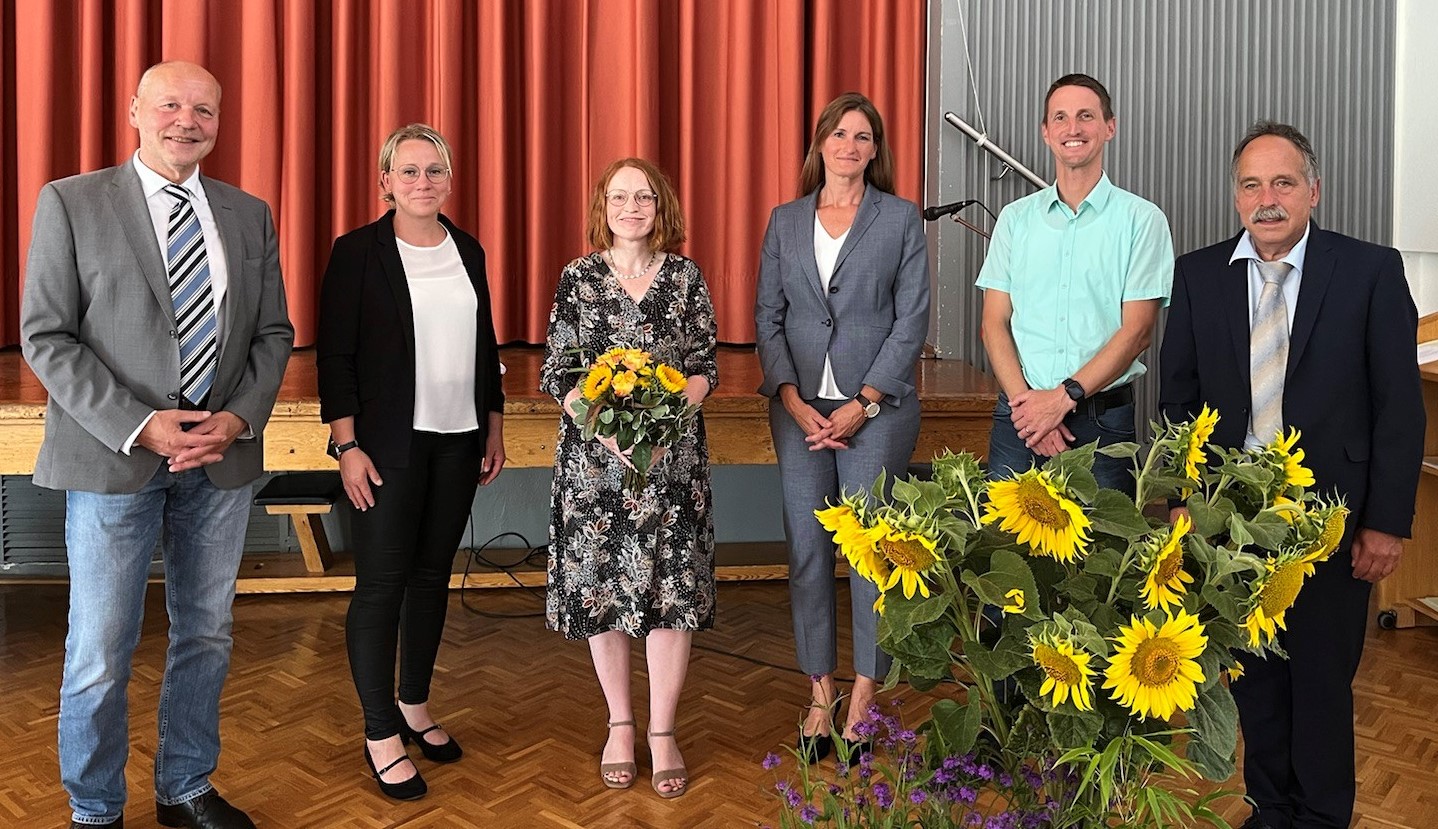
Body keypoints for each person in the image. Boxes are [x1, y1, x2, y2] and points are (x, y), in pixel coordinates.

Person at [19, 61, 293, 829]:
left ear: (218, 121)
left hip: (220, 461)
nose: (187, 118)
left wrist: (236, 418)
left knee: (206, 631)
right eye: (170, 103)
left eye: (204, 107)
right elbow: (47, 334)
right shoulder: (72, 202)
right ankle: (97, 807)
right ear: (135, 110)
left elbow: (274, 333)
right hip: (114, 459)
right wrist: (142, 422)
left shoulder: (247, 213)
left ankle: (185, 787)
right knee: (101, 647)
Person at [1159, 121, 1424, 829]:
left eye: (1282, 182)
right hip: (1232, 523)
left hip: (1333, 518)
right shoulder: (1196, 274)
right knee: (1256, 678)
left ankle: (1322, 815)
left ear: (1313, 189)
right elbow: (1178, 402)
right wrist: (1188, 502)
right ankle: (1270, 808)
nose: (1266, 199)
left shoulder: (1369, 270)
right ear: (1236, 194)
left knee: (1322, 681)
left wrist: (1387, 522)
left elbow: (1400, 404)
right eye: (1251, 184)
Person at [316, 123, 506, 801]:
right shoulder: (357, 253)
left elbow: (484, 344)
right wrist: (346, 445)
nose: (422, 182)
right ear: (385, 181)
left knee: (430, 579)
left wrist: (494, 421)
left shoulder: (469, 248)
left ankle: (414, 704)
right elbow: (334, 356)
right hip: (386, 447)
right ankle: (379, 730)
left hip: (457, 441)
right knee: (381, 584)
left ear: (449, 180)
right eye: (409, 171)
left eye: (434, 171)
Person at [754, 92, 931, 759]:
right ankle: (820, 692)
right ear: (820, 142)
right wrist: (794, 399)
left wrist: (863, 400)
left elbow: (912, 318)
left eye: (862, 136)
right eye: (838, 133)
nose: (849, 146)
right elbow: (767, 315)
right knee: (806, 550)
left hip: (875, 410)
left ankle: (863, 692)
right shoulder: (786, 219)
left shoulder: (900, 219)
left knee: (870, 558)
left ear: (875, 149)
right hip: (798, 410)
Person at [540, 157, 717, 798]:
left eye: (643, 196)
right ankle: (619, 722)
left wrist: (667, 417)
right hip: (596, 465)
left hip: (671, 464)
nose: (631, 206)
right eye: (620, 196)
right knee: (605, 595)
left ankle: (662, 731)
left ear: (660, 206)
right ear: (603, 207)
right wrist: (609, 430)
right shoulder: (579, 279)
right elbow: (558, 370)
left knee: (671, 595)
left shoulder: (686, 278)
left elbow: (704, 365)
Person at [976, 73, 1174, 495]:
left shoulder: (1142, 220)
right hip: (1020, 418)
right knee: (1004, 552)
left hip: (1101, 420)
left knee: (1101, 553)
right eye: (1060, 118)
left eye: (1086, 116)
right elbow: (993, 323)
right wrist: (1031, 412)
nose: (1073, 128)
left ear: (1109, 127)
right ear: (1046, 132)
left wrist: (1061, 400)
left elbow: (1137, 332)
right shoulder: (1016, 219)